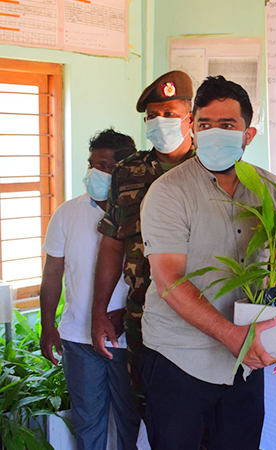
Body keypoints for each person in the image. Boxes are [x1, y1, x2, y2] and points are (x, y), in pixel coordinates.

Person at [138, 76, 276, 450]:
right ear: (192, 128)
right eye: (205, 124)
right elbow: (169, 280)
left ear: (248, 135)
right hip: (179, 356)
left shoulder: (270, 189)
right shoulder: (169, 193)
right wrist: (231, 335)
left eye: (227, 125)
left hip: (244, 360)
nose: (214, 133)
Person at [91, 70, 196, 413]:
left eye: (169, 114)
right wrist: (99, 310)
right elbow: (112, 244)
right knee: (152, 411)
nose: (160, 121)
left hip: (201, 315)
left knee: (203, 417)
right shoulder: (128, 172)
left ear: (190, 118)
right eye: (153, 115)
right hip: (143, 317)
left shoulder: (213, 170)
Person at [40, 128, 141, 450]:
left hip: (128, 337)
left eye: (105, 166)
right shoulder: (67, 213)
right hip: (79, 337)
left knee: (131, 421)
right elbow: (52, 273)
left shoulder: (142, 213)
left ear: (124, 170)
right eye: (92, 164)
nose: (95, 172)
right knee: (88, 422)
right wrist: (47, 325)